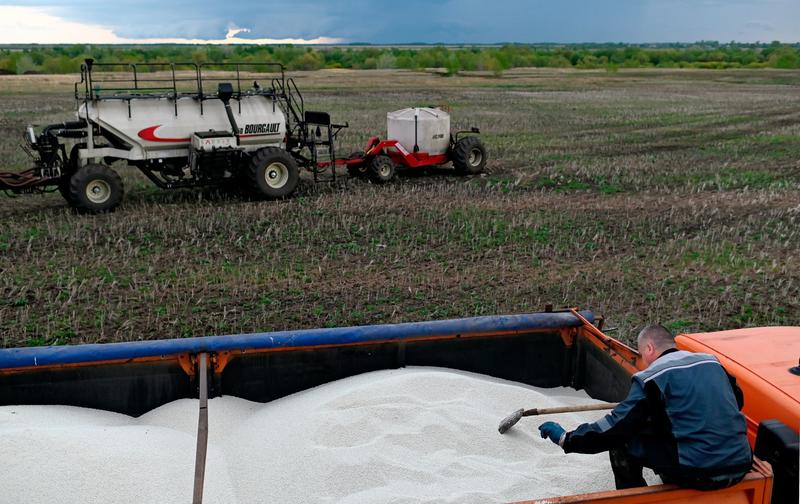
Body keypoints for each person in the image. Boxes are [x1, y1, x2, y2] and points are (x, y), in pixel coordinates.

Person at [538, 324, 752, 491]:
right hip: (740, 464)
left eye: (640, 354)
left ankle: (635, 497)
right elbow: (736, 401)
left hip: (700, 473)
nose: (642, 361)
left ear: (649, 348)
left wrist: (568, 438)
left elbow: (615, 428)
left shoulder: (652, 377)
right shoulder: (711, 362)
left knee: (624, 442)